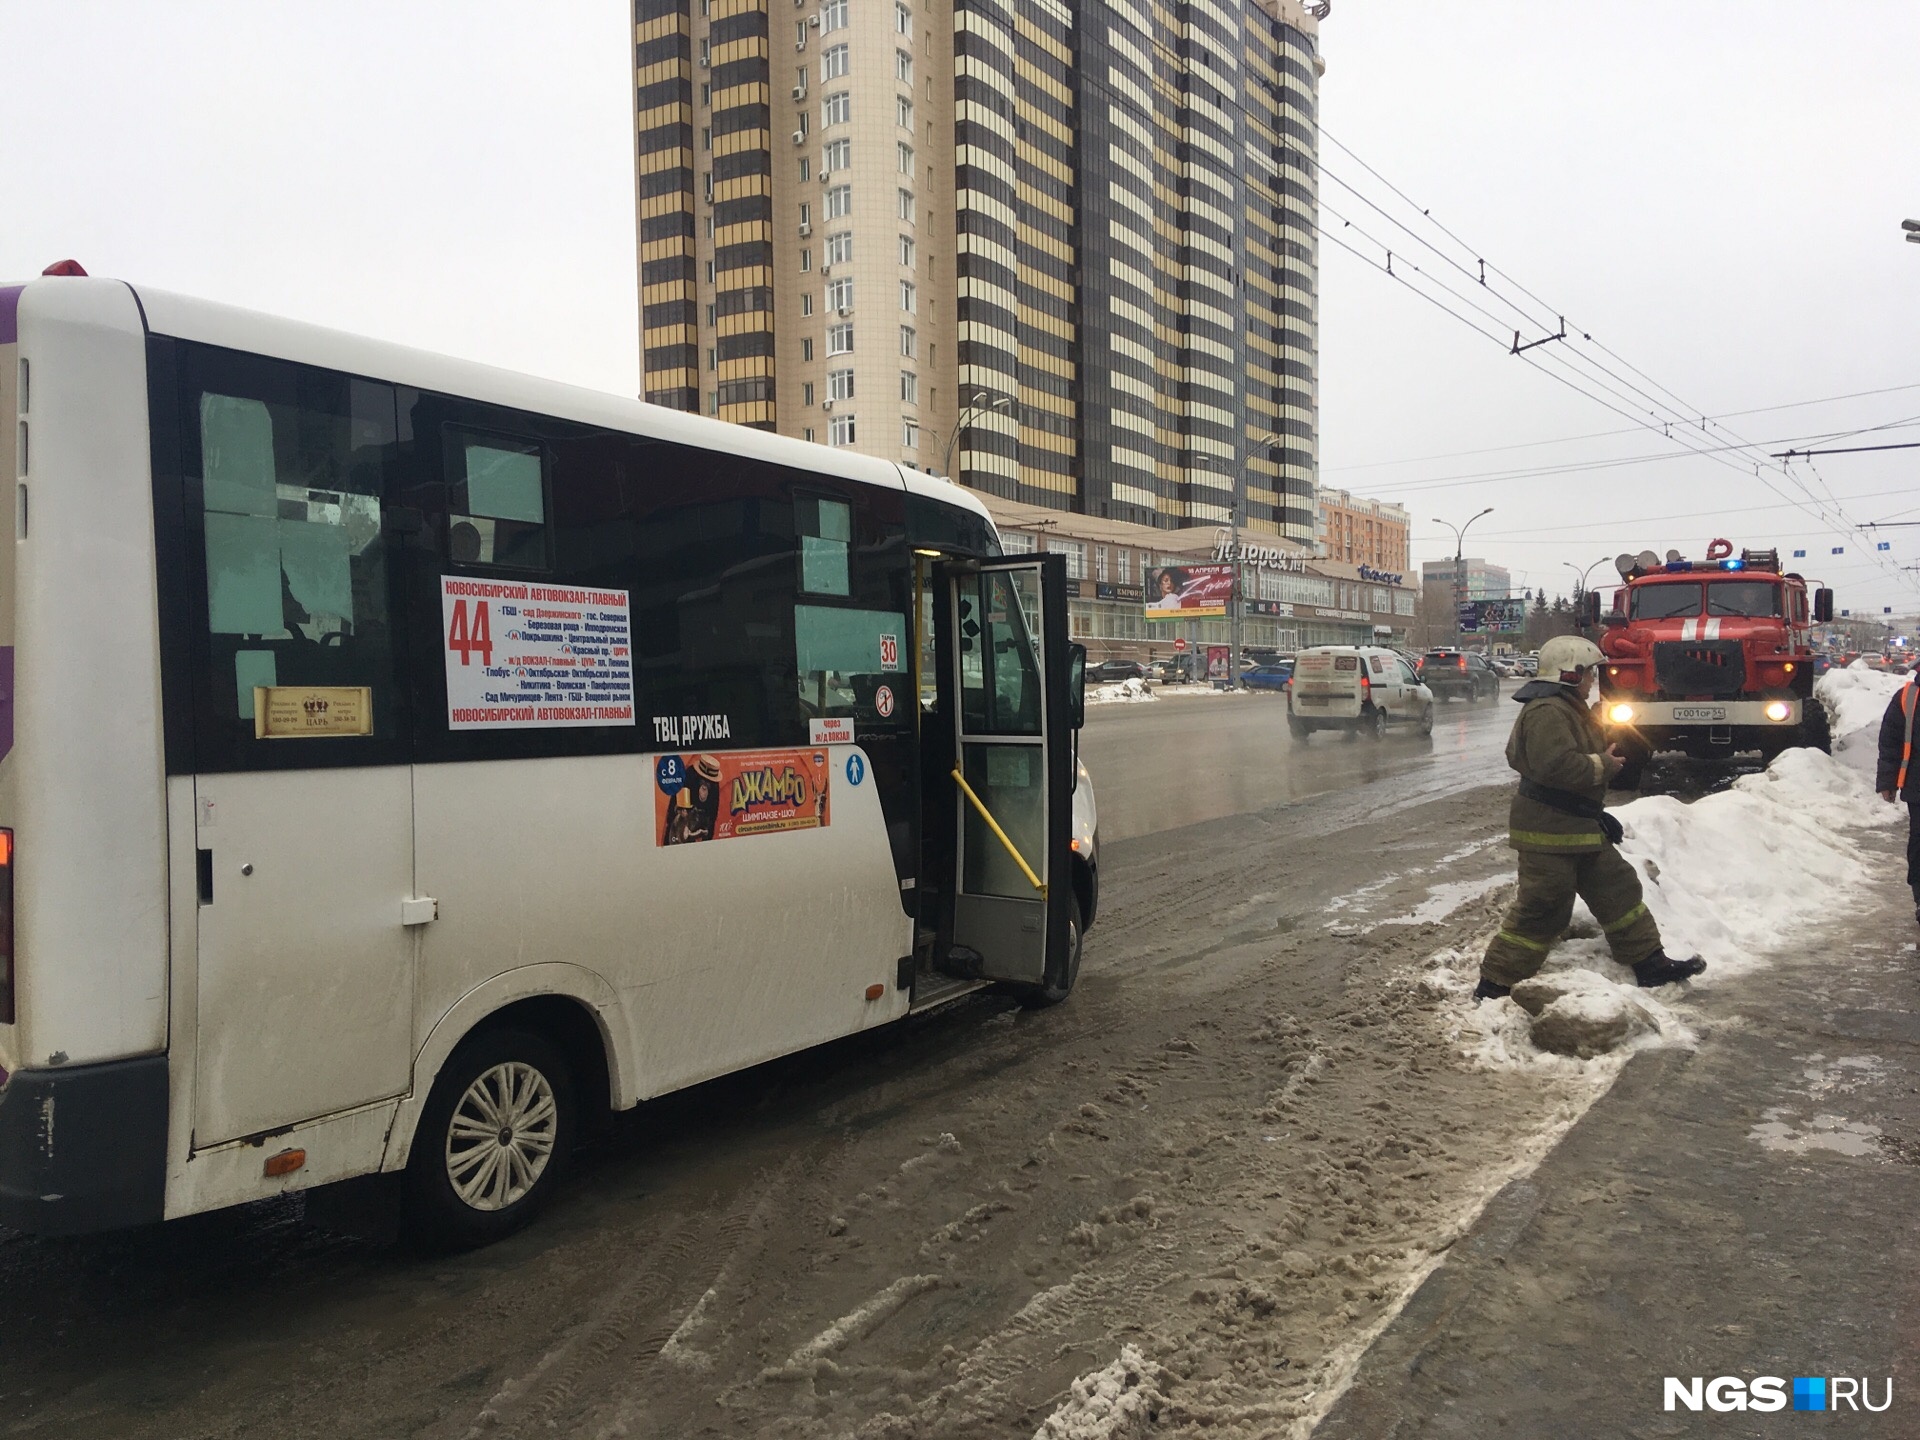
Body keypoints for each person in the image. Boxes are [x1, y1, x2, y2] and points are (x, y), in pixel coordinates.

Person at [1474, 634, 1706, 1001]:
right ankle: (1494, 984)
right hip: (1548, 832)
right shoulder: (1547, 710)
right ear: (1570, 674)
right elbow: (1556, 766)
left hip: (1577, 825)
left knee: (1618, 888)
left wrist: (1595, 814)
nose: (1593, 681)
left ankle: (1650, 964)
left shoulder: (1565, 707)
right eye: (1588, 674)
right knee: (1544, 908)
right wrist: (1604, 765)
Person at [1876, 667, 1920, 925]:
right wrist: (1887, 781)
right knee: (1919, 842)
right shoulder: (1906, 697)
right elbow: (1890, 742)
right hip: (1918, 785)